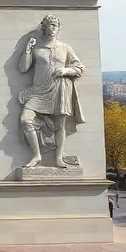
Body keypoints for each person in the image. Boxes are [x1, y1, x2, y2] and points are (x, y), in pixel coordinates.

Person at [18, 15, 85, 168]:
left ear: (58, 28)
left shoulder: (65, 48)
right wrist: (27, 50)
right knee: (25, 120)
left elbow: (80, 68)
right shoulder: (36, 47)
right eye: (50, 25)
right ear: (44, 27)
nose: (53, 28)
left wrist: (65, 70)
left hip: (60, 89)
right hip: (39, 90)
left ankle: (59, 157)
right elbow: (23, 68)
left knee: (59, 126)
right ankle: (36, 155)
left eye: (55, 25)